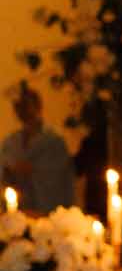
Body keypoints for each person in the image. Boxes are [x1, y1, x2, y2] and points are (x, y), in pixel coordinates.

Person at [1, 81, 76, 214]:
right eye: (19, 106)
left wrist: (34, 170)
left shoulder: (54, 141)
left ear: (38, 106)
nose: (23, 110)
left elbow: (61, 176)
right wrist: (10, 171)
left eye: (26, 105)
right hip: (19, 210)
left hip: (47, 209)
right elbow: (4, 169)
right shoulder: (10, 142)